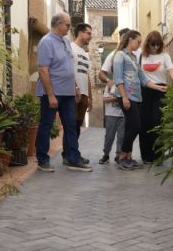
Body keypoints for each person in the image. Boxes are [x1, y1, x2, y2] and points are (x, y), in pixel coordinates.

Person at [35, 12, 91, 172]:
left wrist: (75, 87)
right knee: (46, 126)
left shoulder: (66, 42)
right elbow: (43, 70)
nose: (69, 28)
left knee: (71, 126)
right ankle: (42, 160)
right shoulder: (46, 42)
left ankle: (72, 158)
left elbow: (68, 67)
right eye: (67, 25)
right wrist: (51, 95)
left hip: (68, 93)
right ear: (58, 24)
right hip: (51, 93)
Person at [113, 30, 166, 170]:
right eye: (138, 41)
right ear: (130, 40)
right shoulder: (119, 56)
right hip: (126, 96)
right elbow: (118, 79)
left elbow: (143, 79)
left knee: (132, 126)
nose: (139, 44)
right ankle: (122, 156)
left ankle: (128, 157)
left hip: (136, 97)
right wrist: (124, 97)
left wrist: (158, 88)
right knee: (136, 126)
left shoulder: (134, 58)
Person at [139, 31, 173, 164]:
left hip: (161, 90)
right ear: (147, 44)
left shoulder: (165, 56)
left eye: (158, 44)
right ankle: (146, 156)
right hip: (145, 90)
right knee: (145, 123)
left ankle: (158, 155)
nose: (155, 47)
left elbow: (172, 70)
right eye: (152, 44)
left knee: (158, 122)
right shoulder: (141, 56)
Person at [61, 23, 93, 165]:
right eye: (88, 33)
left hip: (84, 94)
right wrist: (74, 87)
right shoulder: (70, 48)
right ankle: (67, 156)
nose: (90, 37)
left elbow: (87, 75)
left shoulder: (86, 54)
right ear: (80, 33)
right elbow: (67, 70)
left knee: (77, 126)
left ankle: (73, 153)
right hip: (72, 93)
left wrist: (90, 97)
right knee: (71, 125)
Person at [99, 82, 124, 164]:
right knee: (109, 136)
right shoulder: (110, 85)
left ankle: (118, 155)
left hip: (123, 115)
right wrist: (118, 98)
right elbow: (105, 99)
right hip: (110, 114)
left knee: (121, 136)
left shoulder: (126, 84)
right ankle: (106, 154)